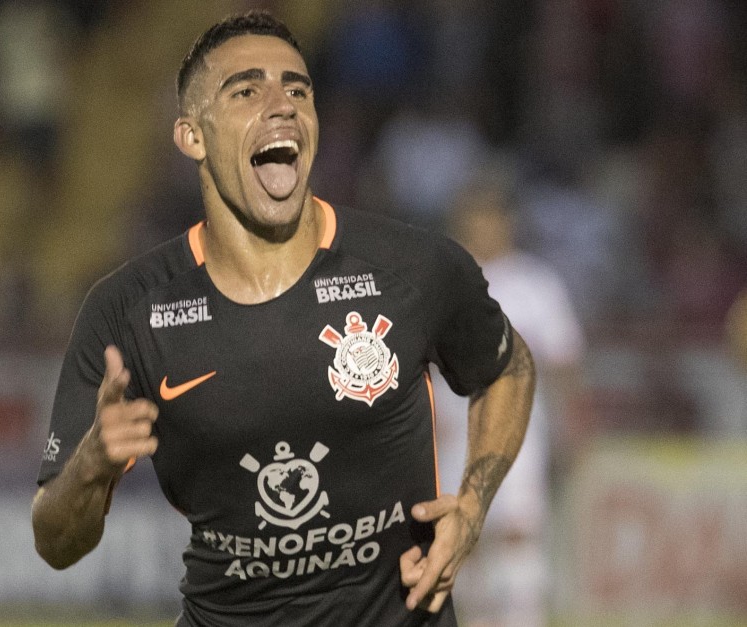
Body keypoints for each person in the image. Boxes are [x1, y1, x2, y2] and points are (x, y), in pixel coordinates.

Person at [31, 11, 536, 627]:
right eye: (247, 90)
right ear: (192, 136)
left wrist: (474, 504)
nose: (283, 106)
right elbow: (56, 545)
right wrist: (90, 465)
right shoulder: (127, 312)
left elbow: (508, 367)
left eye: (298, 89)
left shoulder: (413, 267)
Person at [435, 175, 585, 626]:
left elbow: (563, 365)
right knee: (459, 536)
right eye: (475, 216)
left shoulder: (537, 284)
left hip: (520, 434)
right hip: (450, 429)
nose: (485, 226)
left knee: (517, 534)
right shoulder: (443, 278)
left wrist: (571, 427)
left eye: (493, 216)